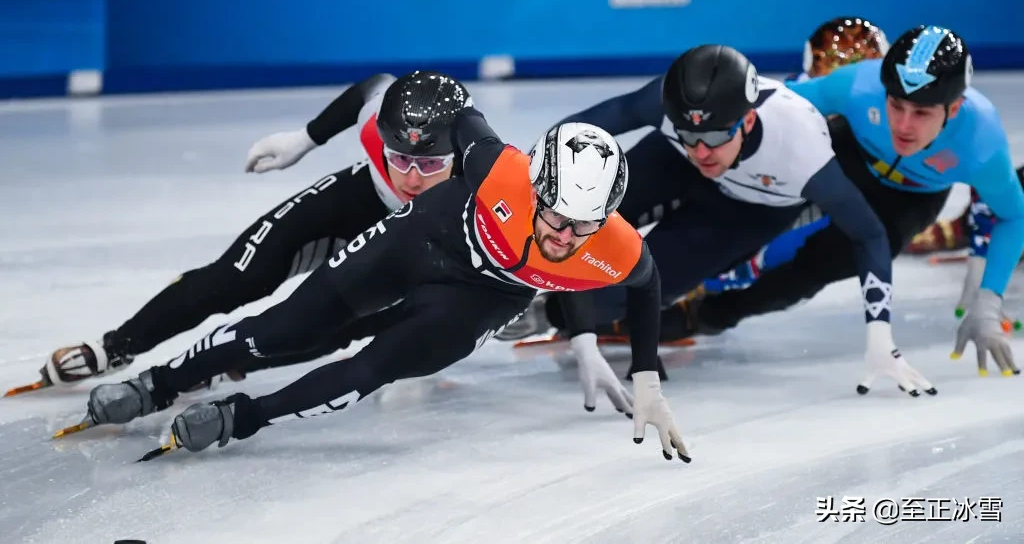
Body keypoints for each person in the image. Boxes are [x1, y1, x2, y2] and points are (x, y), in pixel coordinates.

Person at [59, 82, 690, 462]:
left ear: (605, 217)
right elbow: (437, 99)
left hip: (476, 302)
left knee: (371, 368)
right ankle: (160, 382)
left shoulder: (617, 248)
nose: (561, 234)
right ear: (535, 183)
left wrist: (648, 381)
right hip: (420, 241)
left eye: (582, 226)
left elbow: (649, 288)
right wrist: (313, 135)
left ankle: (243, 417)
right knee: (283, 330)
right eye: (552, 212)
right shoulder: (498, 164)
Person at [511, 44, 933, 396]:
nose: (702, 151)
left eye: (714, 137)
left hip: (747, 211)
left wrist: (880, 335)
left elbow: (870, 234)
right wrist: (519, 176)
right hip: (669, 164)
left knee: (634, 286)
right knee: (566, 212)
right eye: (688, 134)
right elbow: (580, 132)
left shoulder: (801, 147)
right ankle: (506, 280)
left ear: (748, 120)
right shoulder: (672, 113)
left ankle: (552, 315)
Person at [11, 71, 463, 396]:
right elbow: (373, 85)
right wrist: (304, 139)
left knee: (333, 323)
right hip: (361, 199)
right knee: (236, 277)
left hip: (421, 240)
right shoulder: (375, 132)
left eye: (428, 165)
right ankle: (117, 346)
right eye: (398, 158)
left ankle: (228, 364)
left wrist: (534, 309)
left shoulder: (481, 181)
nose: (411, 178)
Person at [664, 26, 1023, 378]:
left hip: (913, 197)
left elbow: (1014, 216)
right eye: (895, 105)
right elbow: (772, 109)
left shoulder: (982, 144)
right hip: (849, 154)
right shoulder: (858, 85)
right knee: (753, 213)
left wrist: (988, 302)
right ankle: (658, 276)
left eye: (922, 112)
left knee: (817, 269)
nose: (904, 125)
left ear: (955, 108)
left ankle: (706, 317)